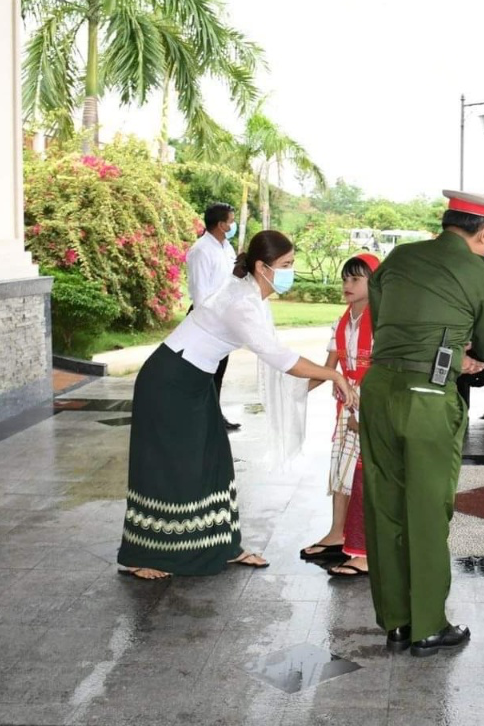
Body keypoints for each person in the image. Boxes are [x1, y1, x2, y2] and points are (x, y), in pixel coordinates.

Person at [117, 231, 357, 580]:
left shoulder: (250, 295)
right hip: (169, 383)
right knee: (169, 466)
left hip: (194, 383)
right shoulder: (241, 303)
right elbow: (279, 357)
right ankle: (144, 554)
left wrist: (325, 376)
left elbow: (277, 350)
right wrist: (334, 376)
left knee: (213, 459)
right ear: (262, 267)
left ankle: (223, 545)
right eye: (286, 265)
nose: (291, 272)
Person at [359, 190, 484, 657]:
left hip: (379, 387)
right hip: (426, 398)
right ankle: (428, 625)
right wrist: (478, 356)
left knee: (385, 504)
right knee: (426, 510)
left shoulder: (400, 256)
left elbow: (385, 318)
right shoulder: (479, 274)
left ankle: (397, 623)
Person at [301, 253, 381, 578]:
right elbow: (328, 369)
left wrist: (366, 414)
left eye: (356, 279)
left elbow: (386, 370)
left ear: (373, 283)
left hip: (371, 404)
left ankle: (363, 547)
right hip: (346, 406)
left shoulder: (383, 320)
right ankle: (338, 534)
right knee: (340, 469)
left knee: (361, 474)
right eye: (345, 279)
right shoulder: (343, 320)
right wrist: (293, 393)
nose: (347, 285)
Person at [186, 202, 240, 432]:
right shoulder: (201, 250)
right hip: (206, 321)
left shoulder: (226, 247)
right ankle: (200, 419)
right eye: (230, 221)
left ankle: (214, 417)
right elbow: (200, 293)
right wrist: (208, 326)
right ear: (220, 225)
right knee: (203, 375)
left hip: (223, 319)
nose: (232, 224)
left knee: (217, 373)